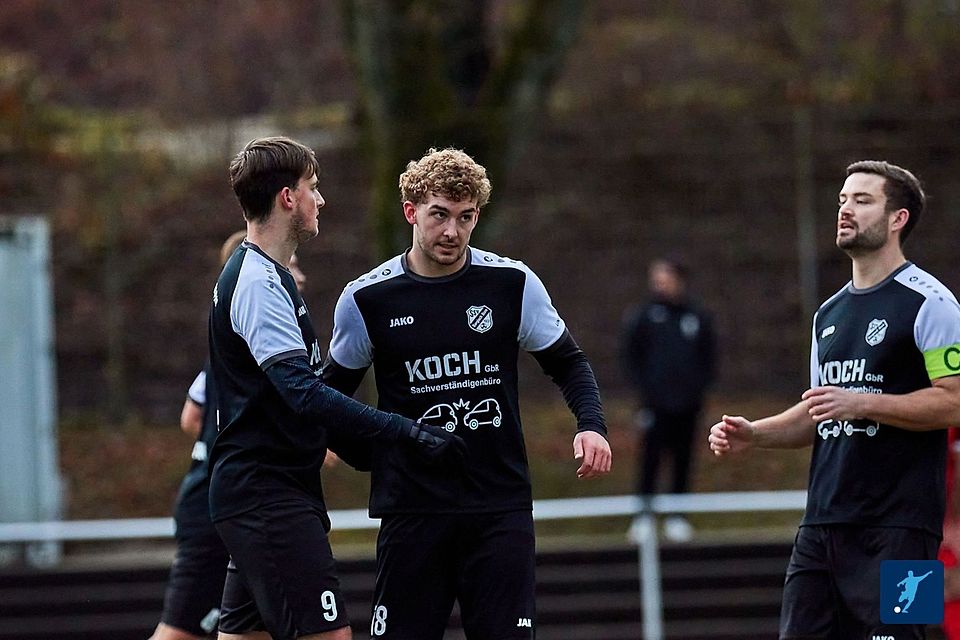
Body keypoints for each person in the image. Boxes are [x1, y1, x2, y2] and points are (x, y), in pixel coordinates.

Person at [323, 147, 612, 639]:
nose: (452, 231)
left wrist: (591, 425)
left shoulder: (512, 283)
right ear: (411, 212)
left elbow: (569, 362)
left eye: (466, 216)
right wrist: (375, 456)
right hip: (413, 514)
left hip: (498, 509)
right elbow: (329, 400)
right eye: (439, 215)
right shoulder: (367, 298)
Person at [207, 136, 465, 640]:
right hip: (267, 496)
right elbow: (303, 393)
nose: (320, 199)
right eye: (313, 187)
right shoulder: (258, 282)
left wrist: (362, 449)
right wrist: (404, 432)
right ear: (288, 198)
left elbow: (300, 398)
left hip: (264, 491)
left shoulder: (270, 275)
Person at [708, 160, 960, 639]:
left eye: (862, 201)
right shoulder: (828, 314)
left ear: (898, 218)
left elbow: (955, 402)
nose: (845, 210)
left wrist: (863, 403)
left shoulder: (934, 305)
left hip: (905, 531)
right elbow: (820, 409)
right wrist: (755, 433)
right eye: (843, 199)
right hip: (822, 527)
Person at [150, 233, 318, 640]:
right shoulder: (245, 340)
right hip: (216, 504)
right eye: (292, 265)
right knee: (179, 632)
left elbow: (194, 414)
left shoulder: (270, 334)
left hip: (249, 501)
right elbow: (191, 416)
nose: (300, 276)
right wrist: (229, 442)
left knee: (253, 630)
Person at [621, 257, 715, 542]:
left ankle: (678, 517)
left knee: (683, 459)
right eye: (656, 280)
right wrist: (646, 390)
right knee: (650, 459)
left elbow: (709, 358)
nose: (660, 285)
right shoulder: (643, 316)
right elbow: (631, 357)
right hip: (654, 404)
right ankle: (644, 517)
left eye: (665, 279)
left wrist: (697, 389)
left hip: (688, 405)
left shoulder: (696, 316)